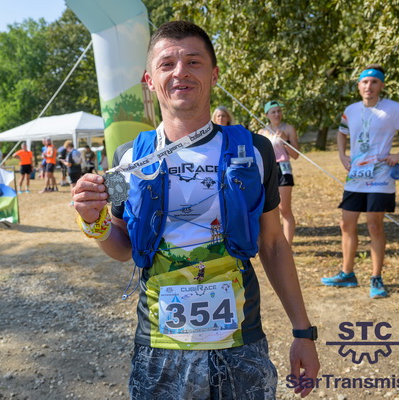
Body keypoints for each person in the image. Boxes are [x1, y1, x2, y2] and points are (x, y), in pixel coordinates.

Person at [71, 21, 319, 399]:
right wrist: (94, 222)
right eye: (166, 64)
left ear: (214, 74)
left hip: (241, 342)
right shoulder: (125, 157)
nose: (180, 72)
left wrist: (303, 332)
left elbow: (273, 244)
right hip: (159, 346)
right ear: (150, 80)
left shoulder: (256, 150)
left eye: (193, 61)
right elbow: (122, 247)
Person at [322, 64, 399, 299]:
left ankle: (376, 278)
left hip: (381, 177)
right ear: (358, 85)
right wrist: (342, 155)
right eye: (365, 82)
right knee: (346, 225)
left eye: (374, 82)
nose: (369, 86)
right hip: (355, 177)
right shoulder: (351, 110)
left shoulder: (392, 109)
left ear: (381, 85)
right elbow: (342, 132)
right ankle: (347, 274)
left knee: (374, 226)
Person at [258, 101, 300, 245]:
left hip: (283, 168)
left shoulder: (288, 129)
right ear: (267, 115)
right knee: (269, 209)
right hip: (268, 169)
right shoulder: (262, 132)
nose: (277, 114)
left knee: (284, 209)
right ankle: (272, 241)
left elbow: (296, 155)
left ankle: (287, 245)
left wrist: (285, 140)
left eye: (279, 111)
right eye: (273, 112)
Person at [62, 140, 82, 205]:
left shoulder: (71, 153)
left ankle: (74, 201)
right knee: (78, 185)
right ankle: (79, 199)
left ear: (68, 146)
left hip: (72, 171)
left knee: (73, 186)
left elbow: (69, 164)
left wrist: (63, 162)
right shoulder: (78, 152)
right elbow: (81, 161)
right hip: (79, 170)